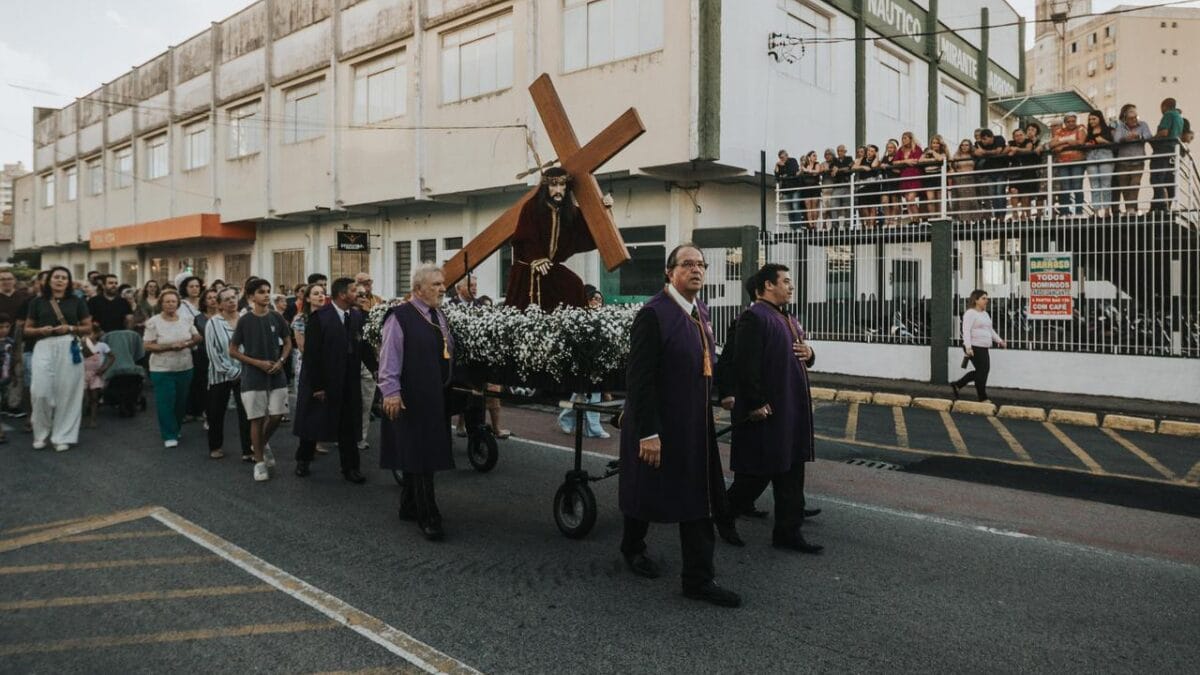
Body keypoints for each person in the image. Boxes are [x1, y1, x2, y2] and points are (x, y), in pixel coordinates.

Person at [618, 244, 740, 608]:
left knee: (698, 498)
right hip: (660, 424)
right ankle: (632, 547)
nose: (696, 269)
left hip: (694, 424)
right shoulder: (654, 314)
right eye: (687, 264)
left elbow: (707, 360)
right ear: (669, 272)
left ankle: (698, 579)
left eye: (701, 264)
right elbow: (639, 379)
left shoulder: (700, 310)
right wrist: (647, 432)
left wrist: (725, 391)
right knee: (646, 489)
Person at [719, 263, 822, 554]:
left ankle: (788, 533)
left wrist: (811, 353)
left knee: (791, 469)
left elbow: (801, 353)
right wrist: (755, 402)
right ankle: (724, 515)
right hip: (768, 412)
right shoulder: (753, 318)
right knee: (757, 475)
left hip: (790, 409)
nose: (791, 286)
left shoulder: (786, 317)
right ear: (768, 285)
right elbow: (744, 364)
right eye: (785, 281)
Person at [379, 264, 484, 541]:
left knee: (421, 451)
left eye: (442, 283)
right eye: (436, 284)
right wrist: (391, 392)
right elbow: (388, 358)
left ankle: (408, 505)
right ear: (418, 289)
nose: (442, 288)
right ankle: (429, 516)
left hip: (435, 395)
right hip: (411, 397)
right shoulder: (399, 317)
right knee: (422, 456)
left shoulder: (438, 315)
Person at [504, 167, 613, 312]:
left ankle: (574, 322)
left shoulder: (570, 212)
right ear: (545, 188)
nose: (558, 190)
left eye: (562, 185)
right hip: (529, 269)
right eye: (553, 185)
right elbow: (525, 236)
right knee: (526, 307)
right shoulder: (531, 207)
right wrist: (536, 257)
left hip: (550, 267)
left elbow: (592, 229)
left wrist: (604, 209)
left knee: (574, 285)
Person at [293, 277, 368, 483]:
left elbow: (363, 346)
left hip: (348, 380)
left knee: (348, 424)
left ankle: (351, 468)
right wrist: (318, 386)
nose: (358, 294)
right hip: (323, 380)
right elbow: (312, 355)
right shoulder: (320, 318)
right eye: (354, 290)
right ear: (342, 295)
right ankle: (303, 460)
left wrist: (377, 370)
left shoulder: (356, 315)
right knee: (314, 422)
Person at [230, 278, 293, 482]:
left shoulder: (276, 317)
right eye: (261, 292)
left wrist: (281, 361)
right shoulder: (245, 320)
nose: (266, 295)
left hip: (276, 374)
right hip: (253, 376)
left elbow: (288, 342)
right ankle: (259, 462)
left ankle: (260, 444)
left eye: (268, 291)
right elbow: (233, 350)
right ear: (251, 297)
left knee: (277, 415)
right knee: (256, 419)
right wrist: (257, 363)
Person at [26, 266, 91, 451]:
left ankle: (62, 436)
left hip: (68, 345)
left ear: (68, 282)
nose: (60, 280)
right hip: (43, 345)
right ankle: (40, 434)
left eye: (64, 277)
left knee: (68, 393)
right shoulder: (37, 301)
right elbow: (27, 329)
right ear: (49, 280)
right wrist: (40, 330)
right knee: (40, 392)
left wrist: (70, 328)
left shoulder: (77, 301)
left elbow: (87, 327)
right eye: (56, 277)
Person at [143, 289, 201, 448]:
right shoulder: (154, 322)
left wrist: (187, 344)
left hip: (185, 366)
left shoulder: (186, 319)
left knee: (181, 402)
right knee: (166, 402)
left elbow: (197, 337)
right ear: (161, 304)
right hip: (161, 369)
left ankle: (176, 428)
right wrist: (170, 347)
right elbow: (147, 345)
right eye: (167, 301)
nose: (170, 304)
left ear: (178, 303)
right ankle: (169, 434)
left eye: (173, 301)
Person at [205, 288, 251, 461]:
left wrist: (244, 370)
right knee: (216, 413)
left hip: (245, 373)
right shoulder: (213, 323)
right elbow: (213, 353)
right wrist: (233, 372)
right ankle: (215, 446)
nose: (232, 301)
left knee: (246, 413)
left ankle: (248, 450)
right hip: (220, 375)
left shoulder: (245, 319)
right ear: (219, 304)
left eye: (233, 298)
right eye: (227, 299)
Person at [951, 289, 1006, 403]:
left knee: (982, 371)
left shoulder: (985, 314)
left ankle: (958, 385)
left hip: (983, 347)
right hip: (974, 346)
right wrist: (968, 347)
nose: (987, 300)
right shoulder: (970, 313)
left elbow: (990, 330)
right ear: (976, 300)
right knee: (982, 371)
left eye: (987, 298)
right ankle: (982, 397)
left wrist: (1000, 341)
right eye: (983, 298)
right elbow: (966, 331)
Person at [1112, 103, 1153, 215]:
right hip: (1122, 161)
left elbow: (1149, 136)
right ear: (1125, 118)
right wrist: (1125, 138)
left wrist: (1138, 137)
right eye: (1131, 118)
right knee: (1124, 187)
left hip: (1138, 161)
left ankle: (1130, 210)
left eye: (1135, 117)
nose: (1134, 119)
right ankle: (1130, 210)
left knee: (1135, 185)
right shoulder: (1120, 127)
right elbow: (1116, 139)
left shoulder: (1143, 125)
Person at [0, 268, 29, 417]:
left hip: (19, 340)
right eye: (2, 279)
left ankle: (13, 404)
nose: (6, 281)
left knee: (17, 371)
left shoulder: (24, 297)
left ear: (14, 281)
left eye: (9, 279)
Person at [1151, 97, 1185, 211]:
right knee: (1168, 179)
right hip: (1173, 151)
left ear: (1164, 106)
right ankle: (1164, 206)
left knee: (1157, 177)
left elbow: (1164, 132)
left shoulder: (1168, 114)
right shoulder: (1180, 118)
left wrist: (1152, 138)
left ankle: (1160, 205)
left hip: (1163, 150)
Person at [1050, 113, 1087, 216]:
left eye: (1073, 121)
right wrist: (1068, 141)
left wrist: (1062, 145)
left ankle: (1079, 212)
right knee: (1065, 187)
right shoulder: (1059, 131)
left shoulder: (1081, 128)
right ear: (1065, 123)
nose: (1071, 123)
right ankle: (1065, 212)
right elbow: (1052, 144)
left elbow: (1080, 142)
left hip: (1077, 161)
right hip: (1062, 162)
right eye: (1068, 121)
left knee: (1077, 186)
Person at [291, 284, 325, 385]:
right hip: (308, 363)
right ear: (308, 299)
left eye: (322, 293)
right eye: (316, 294)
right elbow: (302, 347)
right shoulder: (301, 319)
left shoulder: (331, 317)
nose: (320, 296)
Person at [1084, 110, 1116, 218]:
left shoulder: (1109, 130)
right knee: (1094, 185)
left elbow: (1114, 145)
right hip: (1091, 155)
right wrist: (1087, 145)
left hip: (1105, 154)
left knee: (1106, 184)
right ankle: (1096, 212)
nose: (1091, 121)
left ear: (1100, 119)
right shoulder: (1089, 132)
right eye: (1090, 119)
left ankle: (1107, 211)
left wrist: (1103, 141)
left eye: (1094, 119)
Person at [972, 129, 1009, 219]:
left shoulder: (999, 139)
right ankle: (997, 215)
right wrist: (990, 152)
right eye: (981, 139)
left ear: (991, 137)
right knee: (993, 193)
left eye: (984, 139)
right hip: (989, 171)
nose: (983, 142)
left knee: (1000, 192)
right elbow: (977, 153)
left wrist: (985, 152)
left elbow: (998, 151)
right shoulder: (979, 143)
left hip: (1001, 171)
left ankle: (1002, 216)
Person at [82, 322, 113, 428]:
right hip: (83, 374)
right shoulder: (82, 345)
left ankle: (93, 419)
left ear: (97, 333)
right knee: (84, 397)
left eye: (91, 333)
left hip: (96, 374)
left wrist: (104, 368)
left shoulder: (102, 346)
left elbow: (112, 357)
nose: (89, 336)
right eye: (86, 334)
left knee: (94, 398)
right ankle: (82, 417)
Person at [893, 132, 924, 224]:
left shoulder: (917, 149)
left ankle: (917, 220)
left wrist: (903, 162)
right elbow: (894, 162)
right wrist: (906, 161)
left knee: (911, 198)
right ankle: (912, 220)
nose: (903, 140)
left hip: (915, 176)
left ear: (911, 139)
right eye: (902, 138)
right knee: (907, 199)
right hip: (904, 176)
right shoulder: (900, 150)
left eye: (905, 138)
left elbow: (916, 161)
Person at [853, 144, 882, 228]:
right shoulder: (862, 159)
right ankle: (867, 224)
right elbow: (854, 167)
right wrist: (863, 167)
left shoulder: (876, 160)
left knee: (872, 206)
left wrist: (877, 156)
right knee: (863, 206)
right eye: (868, 150)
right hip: (862, 185)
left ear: (875, 153)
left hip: (873, 185)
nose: (869, 152)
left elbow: (873, 165)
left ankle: (871, 225)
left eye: (872, 151)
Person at [827, 144, 855, 228]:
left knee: (847, 205)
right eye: (838, 151)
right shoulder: (835, 160)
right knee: (833, 204)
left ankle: (848, 224)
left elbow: (848, 168)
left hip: (847, 185)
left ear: (845, 151)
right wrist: (836, 169)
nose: (840, 152)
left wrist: (838, 169)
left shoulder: (849, 158)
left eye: (842, 151)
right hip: (838, 185)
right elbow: (832, 170)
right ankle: (835, 224)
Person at [775, 149, 803, 228]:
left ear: (787, 155)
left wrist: (784, 168)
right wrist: (776, 166)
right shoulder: (779, 164)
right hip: (786, 190)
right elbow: (777, 177)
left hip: (795, 188)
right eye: (780, 158)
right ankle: (793, 228)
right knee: (790, 210)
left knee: (795, 207)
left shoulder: (792, 160)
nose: (782, 159)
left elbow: (793, 171)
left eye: (783, 157)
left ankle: (798, 227)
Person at [949, 139, 977, 217]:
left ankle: (974, 218)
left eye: (966, 145)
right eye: (962, 145)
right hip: (960, 179)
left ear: (970, 146)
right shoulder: (957, 155)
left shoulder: (973, 155)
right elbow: (951, 165)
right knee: (962, 199)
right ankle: (963, 218)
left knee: (972, 199)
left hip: (970, 179)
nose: (964, 147)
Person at [921, 135, 948, 217]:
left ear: (940, 144)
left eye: (937, 143)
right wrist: (932, 159)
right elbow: (920, 160)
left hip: (939, 176)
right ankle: (932, 217)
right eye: (933, 143)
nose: (935, 145)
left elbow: (940, 159)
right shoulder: (926, 153)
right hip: (928, 177)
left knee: (940, 199)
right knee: (931, 199)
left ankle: (940, 216)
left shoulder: (942, 153)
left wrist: (933, 152)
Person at [797, 151, 823, 228]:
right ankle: (810, 225)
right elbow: (798, 174)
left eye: (816, 155)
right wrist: (802, 168)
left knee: (814, 207)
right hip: (806, 188)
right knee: (808, 208)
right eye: (814, 155)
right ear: (809, 157)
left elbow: (817, 172)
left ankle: (814, 224)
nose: (815, 157)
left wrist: (808, 170)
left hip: (815, 188)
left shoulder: (817, 164)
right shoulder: (804, 165)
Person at [878, 139, 901, 223]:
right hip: (885, 182)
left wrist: (889, 167)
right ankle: (887, 219)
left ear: (895, 148)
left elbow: (899, 170)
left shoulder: (897, 157)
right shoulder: (884, 158)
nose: (889, 149)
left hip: (895, 182)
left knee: (895, 201)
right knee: (884, 201)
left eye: (891, 147)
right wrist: (881, 165)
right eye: (888, 147)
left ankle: (893, 220)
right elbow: (879, 166)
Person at [0, 313, 13, 443]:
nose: (4, 330)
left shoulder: (10, 342)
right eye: (1, 327)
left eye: (7, 326)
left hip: (5, 378)